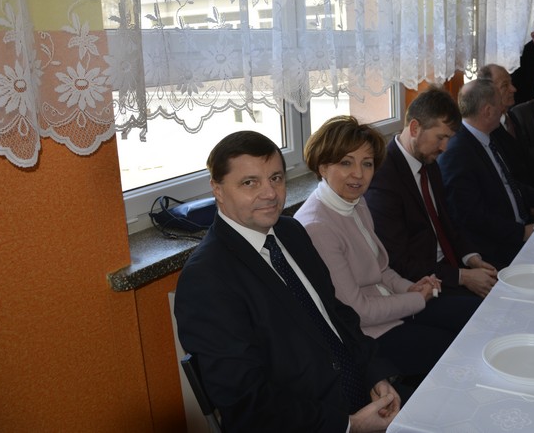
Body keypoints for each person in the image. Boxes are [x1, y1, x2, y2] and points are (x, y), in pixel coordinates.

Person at [175, 131, 400, 433]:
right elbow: (246, 402)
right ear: (218, 189)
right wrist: (350, 425)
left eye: (276, 178)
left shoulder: (291, 232)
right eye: (250, 183)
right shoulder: (206, 279)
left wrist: (376, 375)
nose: (270, 193)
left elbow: (337, 314)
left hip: (358, 395)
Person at [294, 116, 479, 388]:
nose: (359, 174)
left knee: (475, 314)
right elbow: (357, 311)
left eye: (367, 164)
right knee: (459, 348)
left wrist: (411, 288)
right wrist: (417, 299)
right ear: (323, 166)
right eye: (346, 162)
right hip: (367, 334)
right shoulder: (317, 227)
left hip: (392, 308)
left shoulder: (355, 202)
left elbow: (381, 268)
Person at [365, 86, 499, 298]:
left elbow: (447, 221)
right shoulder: (383, 180)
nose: (445, 147)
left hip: (449, 266)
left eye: (449, 139)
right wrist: (462, 277)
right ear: (415, 128)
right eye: (440, 137)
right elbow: (398, 262)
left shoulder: (429, 163)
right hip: (422, 286)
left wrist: (471, 257)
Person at [438, 80, 534, 269]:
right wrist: (521, 233)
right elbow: (470, 216)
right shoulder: (458, 152)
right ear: (487, 111)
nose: (504, 108)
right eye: (500, 103)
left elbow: (505, 184)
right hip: (496, 250)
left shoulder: (488, 135)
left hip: (516, 230)